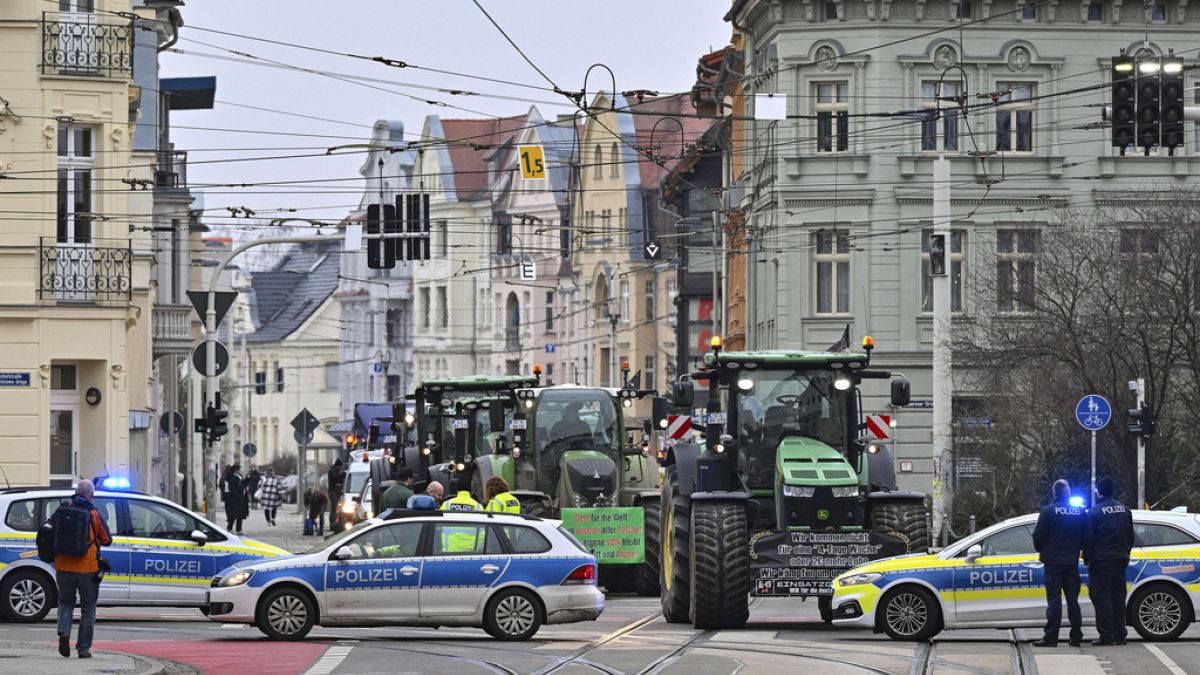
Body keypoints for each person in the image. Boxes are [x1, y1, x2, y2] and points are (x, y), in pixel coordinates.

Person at [54, 480, 112, 659]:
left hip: (63, 566)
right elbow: (107, 540)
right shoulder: (94, 514)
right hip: (87, 569)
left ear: (76, 492)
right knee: (88, 608)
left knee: (65, 603)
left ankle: (64, 632)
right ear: (91, 495)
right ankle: (83, 649)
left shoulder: (61, 511)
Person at [1032, 479, 1091, 648]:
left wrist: (1043, 549)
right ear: (1068, 492)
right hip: (1071, 562)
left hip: (1052, 563)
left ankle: (1051, 637)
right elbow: (1087, 537)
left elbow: (1038, 537)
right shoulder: (1080, 512)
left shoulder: (1048, 511)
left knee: (1054, 600)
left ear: (1054, 493)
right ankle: (1076, 636)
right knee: (1073, 599)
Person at [1085, 477, 1135, 646]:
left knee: (1102, 598)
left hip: (1100, 562)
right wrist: (1125, 554)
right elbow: (1130, 537)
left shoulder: (1094, 512)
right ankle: (1120, 634)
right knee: (1118, 597)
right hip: (1120, 560)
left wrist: (1087, 558)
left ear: (1098, 492)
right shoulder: (1125, 510)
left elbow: (1089, 540)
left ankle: (1107, 635)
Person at [224, 464, 247, 534]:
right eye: (239, 469)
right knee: (233, 515)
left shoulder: (239, 477)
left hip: (240, 499)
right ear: (236, 470)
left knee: (240, 515)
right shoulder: (233, 478)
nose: (241, 471)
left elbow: (243, 485)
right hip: (235, 500)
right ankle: (229, 528)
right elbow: (232, 489)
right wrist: (238, 497)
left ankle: (239, 529)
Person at [327, 459, 346, 527]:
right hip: (333, 492)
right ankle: (333, 524)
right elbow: (336, 478)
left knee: (337, 508)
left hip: (337, 492)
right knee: (334, 508)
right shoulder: (332, 471)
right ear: (338, 466)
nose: (341, 468)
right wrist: (342, 475)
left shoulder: (336, 471)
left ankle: (336, 522)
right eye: (340, 466)